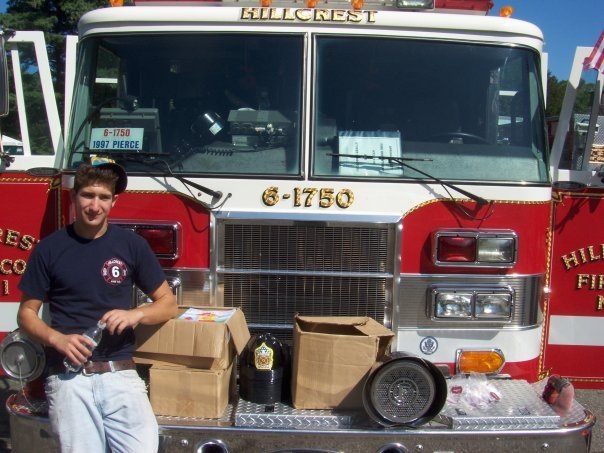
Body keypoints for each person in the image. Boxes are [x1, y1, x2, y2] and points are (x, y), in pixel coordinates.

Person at [17, 160, 177, 452]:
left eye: (103, 197)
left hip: (121, 374)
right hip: (68, 378)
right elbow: (26, 314)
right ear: (74, 197)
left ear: (114, 201)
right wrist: (57, 339)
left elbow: (168, 304)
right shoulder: (49, 249)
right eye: (88, 195)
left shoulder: (132, 246)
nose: (94, 205)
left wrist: (136, 314)